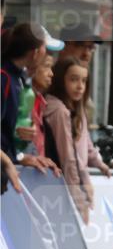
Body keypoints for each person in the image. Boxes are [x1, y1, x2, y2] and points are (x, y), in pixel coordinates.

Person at [43, 57, 111, 224]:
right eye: (73, 80)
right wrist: (78, 194)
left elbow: (85, 143)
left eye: (84, 81)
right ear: (60, 80)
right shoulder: (59, 111)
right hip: (61, 185)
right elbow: (68, 156)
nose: (80, 86)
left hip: (72, 184)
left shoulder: (76, 109)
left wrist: (98, 162)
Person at [2, 23, 62, 177]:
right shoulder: (4, 78)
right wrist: (10, 161)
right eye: (44, 49)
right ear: (35, 53)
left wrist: (21, 156)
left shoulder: (18, 79)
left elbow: (8, 130)